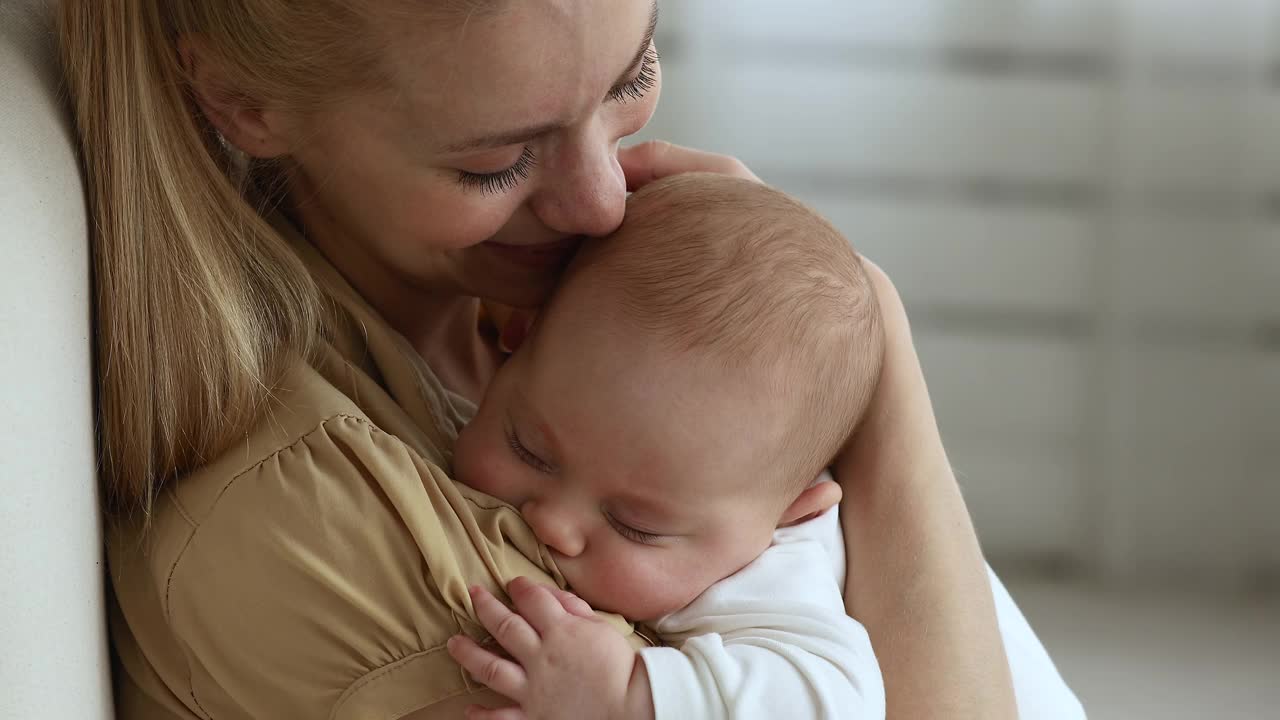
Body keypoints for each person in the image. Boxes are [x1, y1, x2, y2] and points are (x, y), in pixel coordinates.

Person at [57, 0, 1056, 717]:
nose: (603, 203)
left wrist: (848, 340)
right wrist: (877, 374)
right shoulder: (336, 533)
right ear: (241, 101)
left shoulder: (579, 314)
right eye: (495, 161)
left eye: (629, 78)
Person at [447, 173, 888, 719]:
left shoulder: (771, 578)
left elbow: (837, 703)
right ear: (512, 343)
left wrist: (626, 696)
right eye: (529, 450)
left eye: (636, 525)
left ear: (790, 515)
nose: (552, 524)